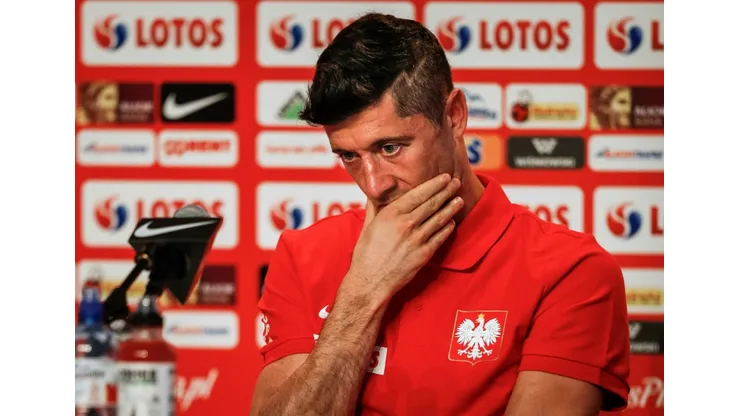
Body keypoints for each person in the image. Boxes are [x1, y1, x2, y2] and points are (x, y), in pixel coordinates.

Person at [252, 12, 630, 416]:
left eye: (390, 148)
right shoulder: (302, 254)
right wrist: (363, 292)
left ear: (454, 116)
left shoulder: (571, 272)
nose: (374, 185)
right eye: (349, 156)